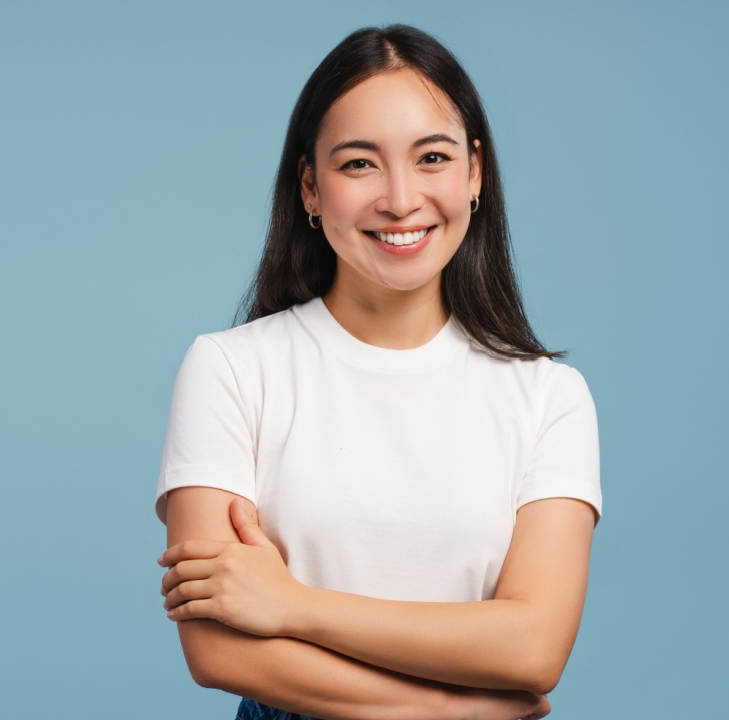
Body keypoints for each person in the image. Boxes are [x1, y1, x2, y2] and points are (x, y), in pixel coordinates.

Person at [155, 24, 601, 720]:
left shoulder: (548, 397)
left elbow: (535, 646)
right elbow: (219, 653)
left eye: (431, 157)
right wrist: (448, 710)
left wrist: (294, 604)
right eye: (359, 164)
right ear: (310, 185)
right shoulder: (232, 369)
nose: (400, 199)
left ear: (474, 173)